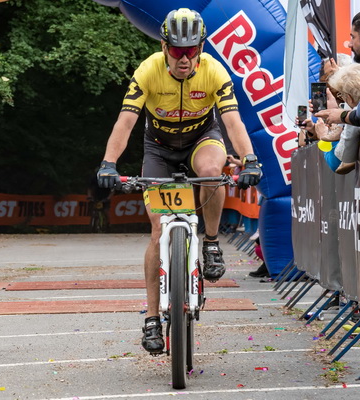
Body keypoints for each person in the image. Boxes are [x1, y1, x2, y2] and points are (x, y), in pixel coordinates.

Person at [97, 8, 261, 355]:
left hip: (202, 139)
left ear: (201, 48)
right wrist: (109, 164)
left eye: (191, 50)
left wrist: (250, 159)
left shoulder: (214, 71)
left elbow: (233, 122)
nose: (184, 59)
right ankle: (152, 318)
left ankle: (211, 242)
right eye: (177, 50)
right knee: (158, 232)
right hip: (159, 148)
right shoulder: (148, 71)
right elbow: (125, 122)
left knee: (212, 170)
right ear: (164, 47)